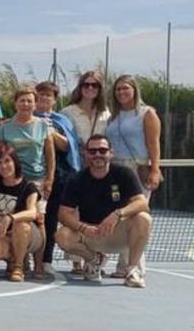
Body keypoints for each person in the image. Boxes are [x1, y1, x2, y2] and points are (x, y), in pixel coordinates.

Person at [56, 134, 152, 288]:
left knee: (143, 219)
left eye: (102, 150)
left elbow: (142, 203)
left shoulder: (124, 174)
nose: (97, 155)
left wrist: (117, 214)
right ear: (86, 154)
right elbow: (63, 213)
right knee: (62, 235)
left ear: (111, 153)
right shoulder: (76, 180)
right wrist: (84, 228)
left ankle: (133, 270)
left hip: (118, 234)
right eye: (92, 151)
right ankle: (94, 260)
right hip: (90, 235)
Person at [34, 81, 81, 276]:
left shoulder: (61, 120)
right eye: (41, 95)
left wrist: (51, 132)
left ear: (54, 99)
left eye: (48, 95)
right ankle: (24, 259)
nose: (44, 98)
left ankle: (46, 260)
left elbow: (66, 146)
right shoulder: (26, 117)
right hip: (33, 174)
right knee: (31, 217)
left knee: (50, 218)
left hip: (58, 177)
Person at [0, 147, 43, 282]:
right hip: (3, 235)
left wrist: (10, 218)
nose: (4, 166)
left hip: (28, 234)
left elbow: (33, 212)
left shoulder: (29, 186)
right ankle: (14, 259)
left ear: (15, 162)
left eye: (7, 161)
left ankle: (18, 267)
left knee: (20, 225)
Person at [105, 75, 163, 194]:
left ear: (134, 90)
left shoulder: (147, 113)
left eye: (125, 88)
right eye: (118, 89)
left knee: (137, 206)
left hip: (136, 167)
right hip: (113, 168)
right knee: (115, 204)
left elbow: (153, 143)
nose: (121, 92)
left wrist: (155, 170)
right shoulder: (113, 117)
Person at [0, 89, 55, 201]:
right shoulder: (4, 127)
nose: (25, 104)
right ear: (15, 103)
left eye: (29, 101)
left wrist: (50, 179)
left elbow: (50, 155)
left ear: (35, 104)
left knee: (37, 216)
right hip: (11, 179)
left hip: (36, 178)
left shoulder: (43, 126)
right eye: (22, 101)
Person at [61, 71, 111, 150]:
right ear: (80, 87)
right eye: (86, 85)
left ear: (99, 89)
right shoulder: (67, 113)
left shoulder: (105, 112)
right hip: (75, 159)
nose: (90, 88)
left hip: (98, 158)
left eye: (94, 85)